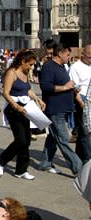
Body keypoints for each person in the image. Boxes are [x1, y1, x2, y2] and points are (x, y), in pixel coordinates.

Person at [0, 49, 45, 180]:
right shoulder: (12, 73)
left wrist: (38, 99)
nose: (31, 67)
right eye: (30, 64)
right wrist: (16, 106)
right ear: (23, 61)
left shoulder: (25, 74)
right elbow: (5, 92)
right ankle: (1, 160)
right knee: (20, 139)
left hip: (26, 108)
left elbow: (28, 90)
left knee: (27, 140)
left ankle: (21, 170)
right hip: (14, 109)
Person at [39, 43, 83, 175]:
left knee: (53, 137)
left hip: (63, 108)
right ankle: (79, 168)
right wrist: (65, 87)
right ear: (60, 54)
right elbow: (45, 86)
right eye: (67, 55)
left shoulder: (62, 67)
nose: (69, 57)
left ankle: (45, 163)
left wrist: (73, 88)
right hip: (55, 108)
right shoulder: (48, 67)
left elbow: (65, 84)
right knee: (63, 139)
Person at [69, 44, 91, 162]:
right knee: (85, 130)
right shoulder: (75, 67)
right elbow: (74, 88)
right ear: (83, 55)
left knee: (84, 131)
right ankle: (88, 159)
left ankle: (79, 157)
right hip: (82, 99)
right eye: (89, 57)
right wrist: (81, 103)